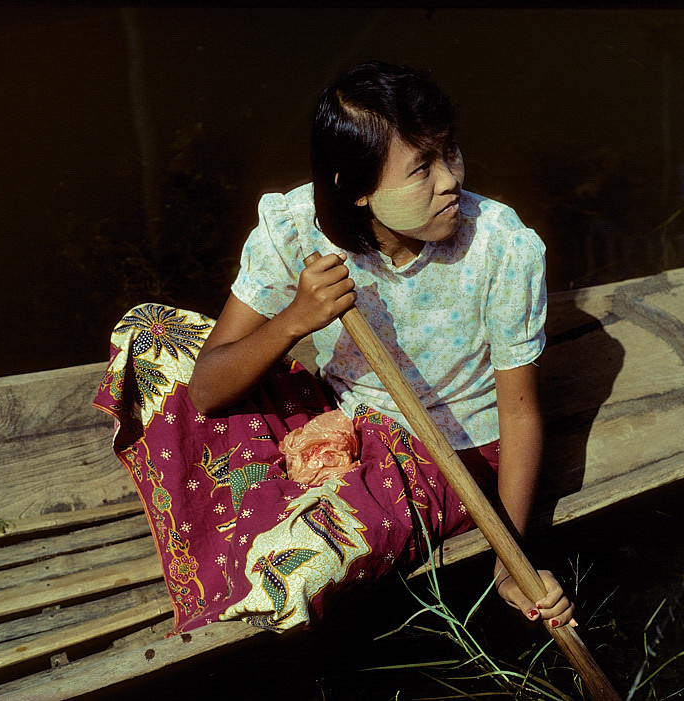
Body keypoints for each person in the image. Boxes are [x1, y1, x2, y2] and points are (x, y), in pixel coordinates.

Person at [95, 60, 574, 636]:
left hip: (443, 453)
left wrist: (509, 560)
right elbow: (207, 388)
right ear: (358, 194)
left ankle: (284, 519)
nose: (450, 179)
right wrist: (293, 320)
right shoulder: (295, 229)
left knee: (290, 565)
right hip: (338, 408)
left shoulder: (501, 248)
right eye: (422, 168)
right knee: (152, 338)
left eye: (450, 152)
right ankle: (285, 502)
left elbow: (519, 414)